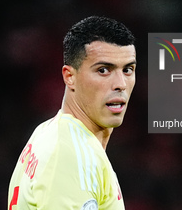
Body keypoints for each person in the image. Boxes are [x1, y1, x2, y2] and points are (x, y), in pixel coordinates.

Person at [8, 16, 136, 210]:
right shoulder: (71, 154)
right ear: (69, 77)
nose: (120, 84)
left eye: (128, 69)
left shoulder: (49, 133)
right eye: (103, 70)